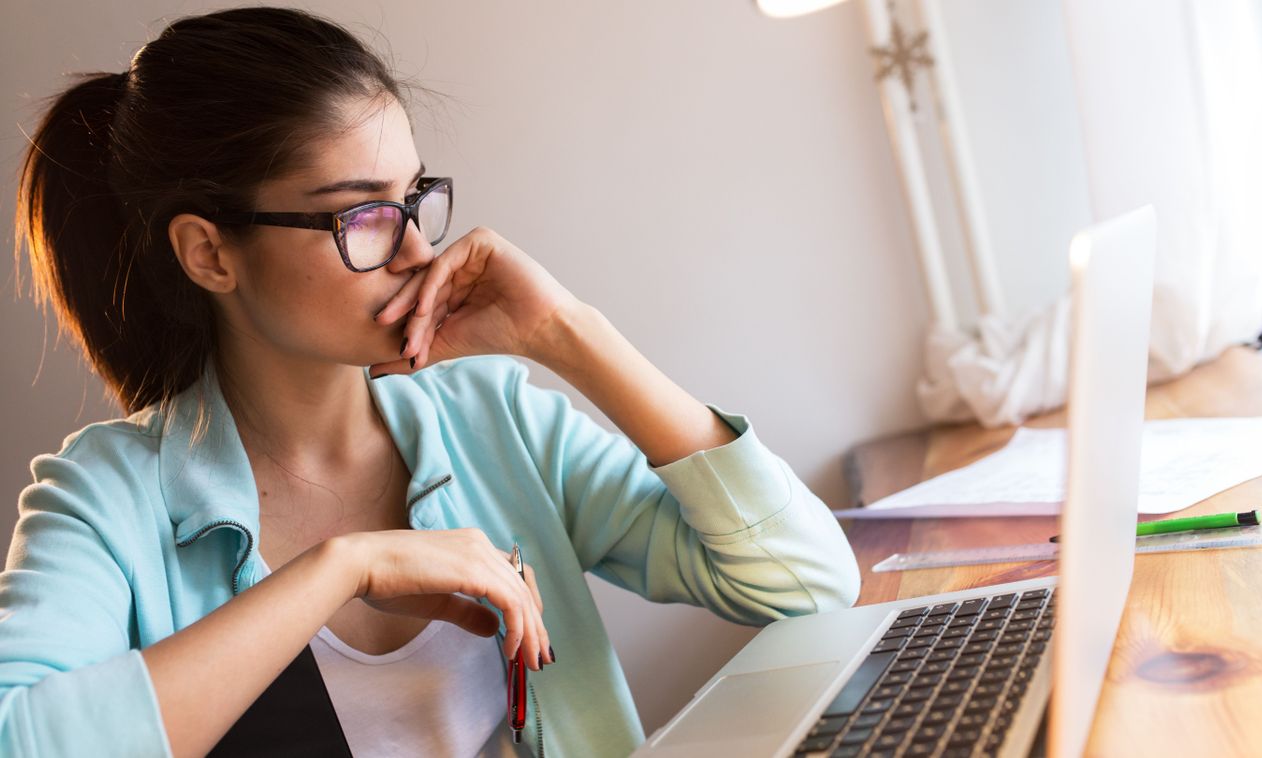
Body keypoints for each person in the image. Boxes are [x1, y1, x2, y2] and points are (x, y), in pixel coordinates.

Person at [1, 7, 861, 757]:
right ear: (210, 253)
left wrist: (566, 334)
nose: (417, 251)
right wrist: (342, 569)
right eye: (361, 214)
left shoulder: (493, 418)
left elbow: (804, 584)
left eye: (413, 198)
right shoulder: (103, 496)